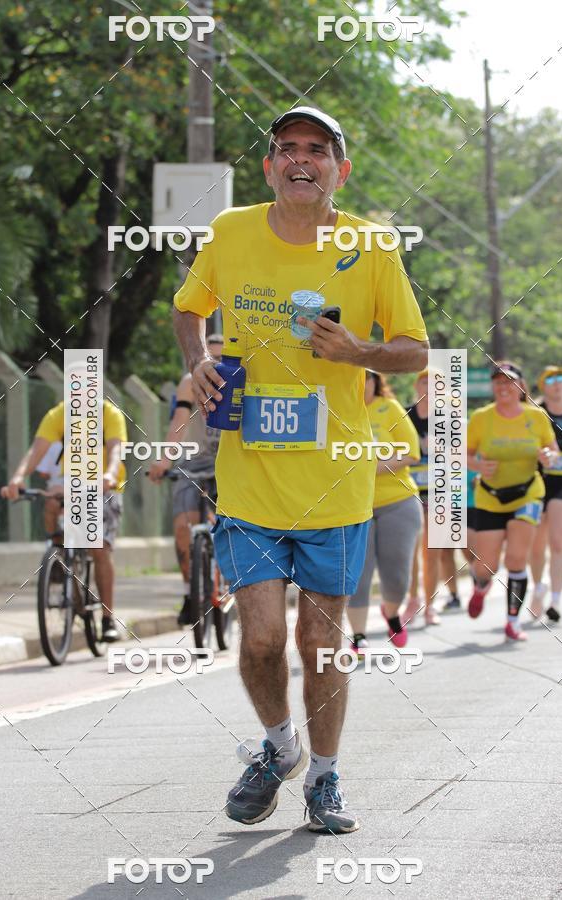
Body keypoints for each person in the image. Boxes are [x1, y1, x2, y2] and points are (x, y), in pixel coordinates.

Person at [172, 105, 428, 833]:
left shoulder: (371, 246)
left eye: (317, 149)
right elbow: (188, 309)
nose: (301, 159)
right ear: (270, 166)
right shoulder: (230, 232)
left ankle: (324, 776)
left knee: (321, 643)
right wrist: (198, 361)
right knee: (259, 640)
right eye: (287, 149)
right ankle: (279, 748)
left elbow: (415, 348)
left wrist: (360, 353)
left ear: (339, 170)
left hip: (337, 485)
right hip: (250, 480)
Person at [0, 398, 127, 642]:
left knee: (98, 548)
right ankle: (58, 554)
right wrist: (18, 477)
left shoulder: (109, 413)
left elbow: (115, 450)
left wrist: (110, 473)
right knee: (50, 501)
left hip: (103, 484)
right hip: (70, 481)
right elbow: (36, 450)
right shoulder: (59, 413)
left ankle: (107, 618)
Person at [466, 361, 558, 641]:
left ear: (521, 387)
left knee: (517, 558)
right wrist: (478, 467)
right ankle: (481, 585)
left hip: (528, 493)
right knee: (486, 565)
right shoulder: (481, 417)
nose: (503, 387)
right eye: (498, 382)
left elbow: (552, 450)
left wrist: (548, 457)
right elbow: (462, 455)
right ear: (493, 387)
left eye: (509, 381)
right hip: (491, 497)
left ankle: (512, 621)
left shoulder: (536, 417)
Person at [149, 334, 223, 625]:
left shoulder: (240, 382)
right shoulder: (189, 383)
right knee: (183, 527)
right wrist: (165, 459)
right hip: (193, 462)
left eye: (221, 358)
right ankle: (190, 593)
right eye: (210, 358)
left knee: (230, 524)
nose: (215, 365)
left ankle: (225, 578)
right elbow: (178, 424)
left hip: (229, 464)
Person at [347, 371, 422, 651]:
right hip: (354, 506)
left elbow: (411, 453)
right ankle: (358, 636)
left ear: (375, 381)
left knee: (396, 574)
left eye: (366, 377)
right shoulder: (338, 408)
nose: (361, 382)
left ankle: (391, 614)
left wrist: (370, 468)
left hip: (397, 501)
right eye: (355, 377)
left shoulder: (388, 408)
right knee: (358, 573)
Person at [404, 370, 442, 625]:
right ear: (417, 386)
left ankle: (431, 606)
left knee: (433, 551)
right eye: (425, 381)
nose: (429, 387)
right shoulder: (405, 415)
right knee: (411, 550)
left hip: (440, 490)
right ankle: (412, 599)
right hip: (410, 490)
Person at [529, 366, 562, 621]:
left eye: (561, 379)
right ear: (543, 385)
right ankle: (538, 587)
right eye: (551, 379)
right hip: (538, 481)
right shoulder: (536, 413)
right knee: (536, 543)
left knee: (558, 541)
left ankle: (555, 599)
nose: (557, 384)